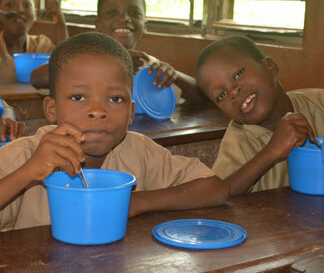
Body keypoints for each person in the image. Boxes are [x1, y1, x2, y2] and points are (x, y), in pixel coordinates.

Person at [0, 32, 229, 231]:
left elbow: (214, 188)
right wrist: (27, 173)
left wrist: (135, 203)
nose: (98, 111)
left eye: (115, 98)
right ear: (51, 109)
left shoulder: (139, 150)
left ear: (131, 113)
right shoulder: (25, 155)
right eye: (79, 97)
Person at [31, 0, 208, 104]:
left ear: (144, 26)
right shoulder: (84, 61)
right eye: (112, 12)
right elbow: (37, 77)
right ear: (98, 25)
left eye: (134, 13)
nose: (124, 19)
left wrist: (173, 74)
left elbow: (203, 95)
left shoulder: (148, 65)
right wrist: (111, 59)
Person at [196, 35, 324, 196]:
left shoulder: (318, 104)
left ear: (270, 67)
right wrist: (272, 151)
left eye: (238, 74)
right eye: (221, 95)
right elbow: (216, 193)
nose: (233, 91)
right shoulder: (239, 141)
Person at [0, 0, 68, 83]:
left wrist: (60, 24)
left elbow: (66, 68)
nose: (19, 10)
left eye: (26, 5)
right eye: (10, 5)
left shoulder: (41, 45)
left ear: (35, 14)